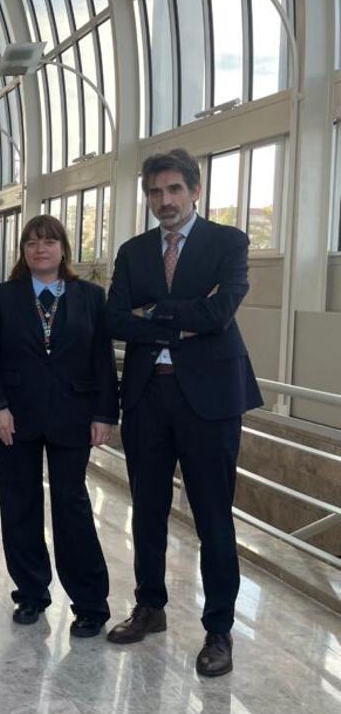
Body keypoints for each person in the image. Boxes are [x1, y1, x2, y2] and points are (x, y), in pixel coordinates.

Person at [106, 148, 261, 677]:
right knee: (145, 509)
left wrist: (155, 311)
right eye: (155, 192)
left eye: (174, 189)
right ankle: (150, 607)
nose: (164, 201)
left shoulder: (228, 243)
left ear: (195, 190)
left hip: (212, 399)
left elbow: (221, 313)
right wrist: (181, 320)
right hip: (149, 395)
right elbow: (116, 321)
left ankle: (219, 630)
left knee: (213, 516)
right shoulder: (133, 251)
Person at [0, 215, 117, 638]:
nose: (40, 249)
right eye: (32, 242)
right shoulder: (4, 297)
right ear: (22, 251)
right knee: (19, 504)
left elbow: (102, 359)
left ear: (64, 249)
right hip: (15, 417)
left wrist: (104, 414)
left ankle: (90, 603)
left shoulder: (90, 296)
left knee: (72, 506)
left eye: (49, 241)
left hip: (72, 414)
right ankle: (31, 593)